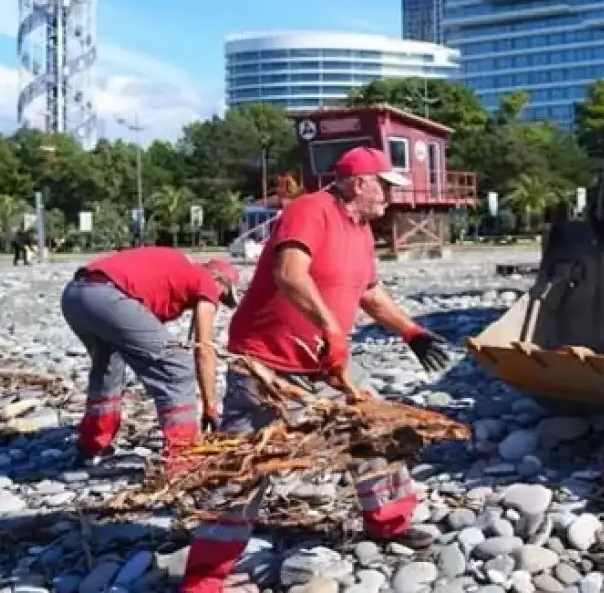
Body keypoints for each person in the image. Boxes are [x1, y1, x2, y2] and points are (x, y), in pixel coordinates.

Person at [181, 147, 453, 593]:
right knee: (246, 464)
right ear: (357, 182)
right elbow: (290, 274)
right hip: (265, 363)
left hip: (326, 365)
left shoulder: (362, 232)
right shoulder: (311, 210)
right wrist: (331, 326)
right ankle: (206, 576)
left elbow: (370, 294)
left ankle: (389, 522)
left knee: (375, 430)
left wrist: (412, 332)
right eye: (384, 186)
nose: (390, 196)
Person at [60, 248, 241, 471]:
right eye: (222, 296)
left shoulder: (177, 268)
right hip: (108, 297)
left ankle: (93, 447)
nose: (218, 302)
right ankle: (182, 459)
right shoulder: (205, 280)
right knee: (176, 367)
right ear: (218, 278)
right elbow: (203, 349)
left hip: (76, 295)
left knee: (108, 366)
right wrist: (211, 408)